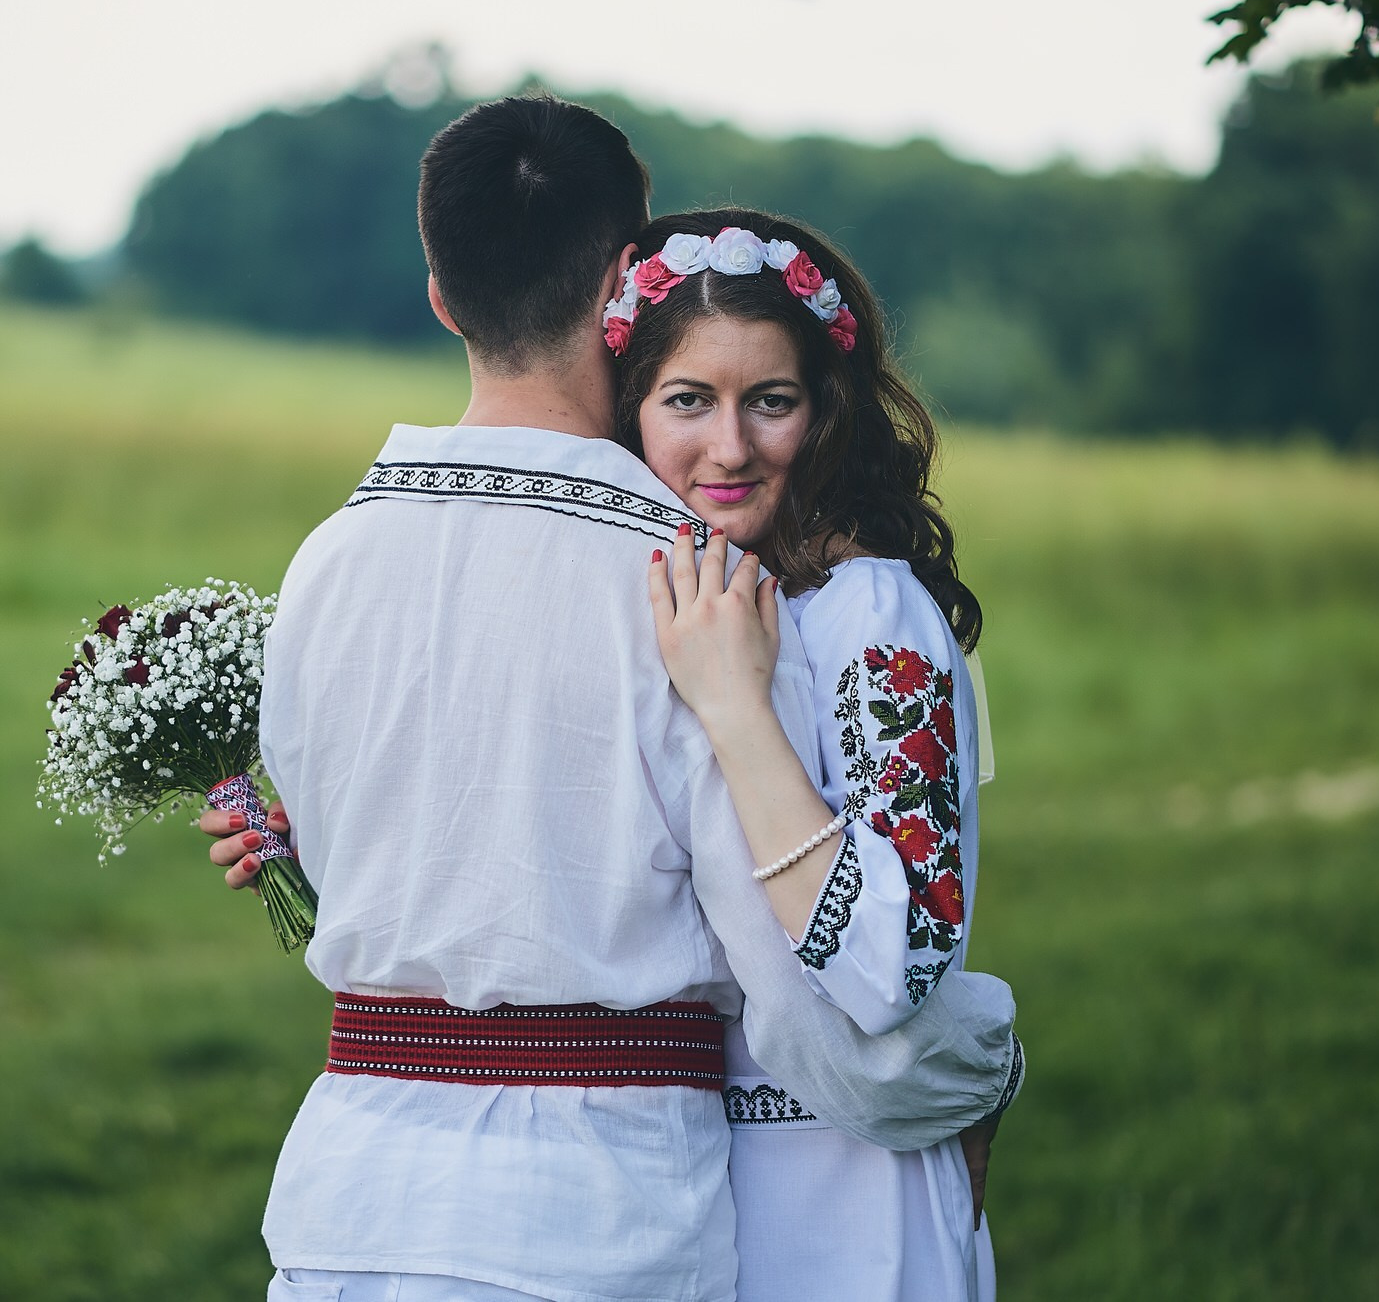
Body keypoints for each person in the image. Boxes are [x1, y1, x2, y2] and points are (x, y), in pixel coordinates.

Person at [209, 96, 1021, 1302]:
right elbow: (810, 990)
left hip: (344, 1202)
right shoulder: (693, 583)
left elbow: (404, 885)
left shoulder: (326, 558)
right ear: (619, 290)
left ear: (439, 294)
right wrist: (969, 1069)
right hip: (592, 1220)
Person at [627, 207, 1011, 1301]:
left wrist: (737, 710)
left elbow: (891, 963)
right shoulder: (663, 593)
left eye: (771, 401)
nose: (730, 446)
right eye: (687, 400)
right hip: (682, 1167)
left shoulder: (870, 612)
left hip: (850, 1178)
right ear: (632, 412)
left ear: (824, 412)